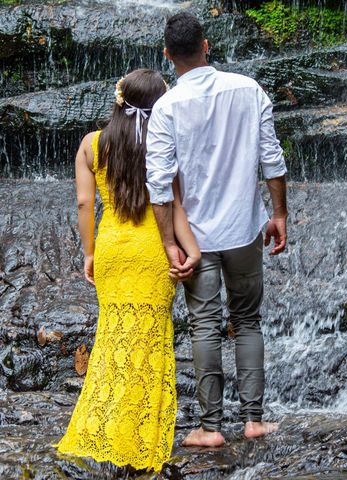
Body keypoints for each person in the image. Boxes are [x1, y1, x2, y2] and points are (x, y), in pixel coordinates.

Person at [145, 12, 288, 447]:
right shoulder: (249, 89)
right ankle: (254, 421)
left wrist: (169, 241)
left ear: (168, 56)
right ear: (206, 46)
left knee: (204, 326)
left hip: (195, 240)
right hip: (244, 229)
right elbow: (272, 159)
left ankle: (210, 428)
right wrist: (278, 214)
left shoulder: (166, 107)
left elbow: (158, 184)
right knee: (247, 321)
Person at [56, 69, 200, 472]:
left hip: (114, 248)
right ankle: (139, 431)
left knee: (114, 334)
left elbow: (86, 205)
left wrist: (89, 253)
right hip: (154, 247)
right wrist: (189, 250)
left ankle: (104, 424)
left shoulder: (92, 144)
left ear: (119, 100)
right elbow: (175, 204)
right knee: (150, 337)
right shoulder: (164, 143)